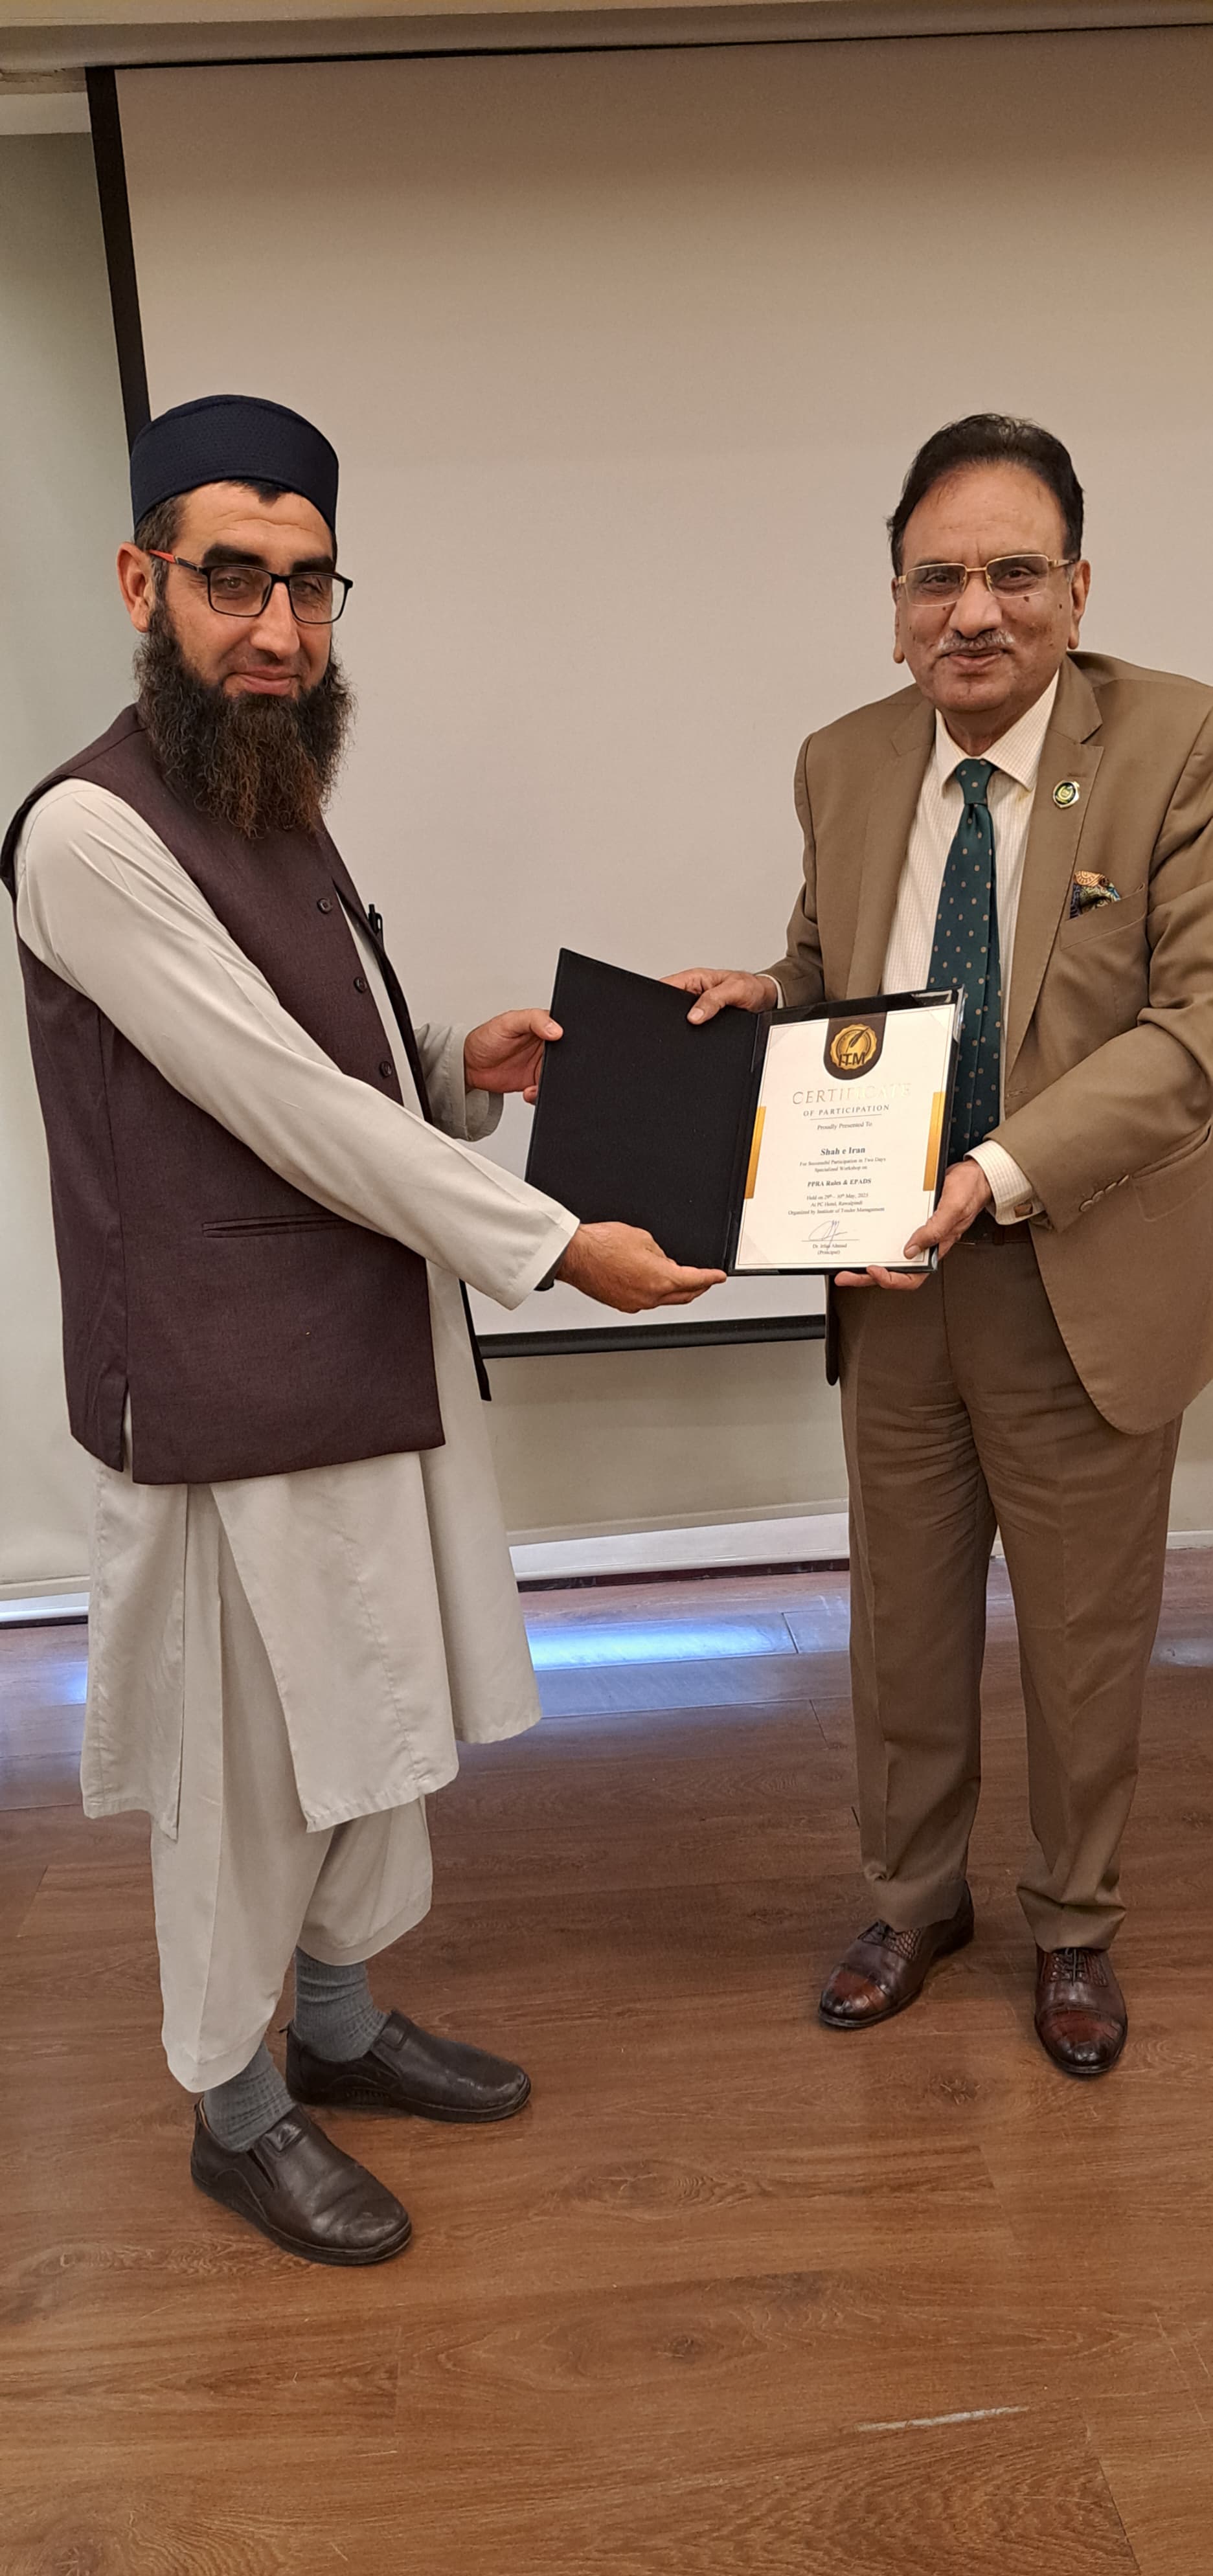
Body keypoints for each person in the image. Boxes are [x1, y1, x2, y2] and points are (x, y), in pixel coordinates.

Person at [4, 390, 723, 2265]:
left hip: (363, 1349)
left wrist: (454, 1064)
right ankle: (233, 2110)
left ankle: (334, 2023)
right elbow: (279, 1106)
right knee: (248, 1768)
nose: (279, 627)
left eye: (311, 584)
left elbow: (335, 1065)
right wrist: (556, 1243)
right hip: (224, 1390)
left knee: (381, 1717)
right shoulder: (84, 833)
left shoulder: (271, 786)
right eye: (234, 579)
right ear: (143, 582)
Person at [670, 411, 1213, 2077]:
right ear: (895, 599)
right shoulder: (841, 759)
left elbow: (1193, 1031)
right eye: (935, 578)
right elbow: (830, 970)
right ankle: (913, 1902)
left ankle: (1074, 1921)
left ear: (1076, 588)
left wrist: (992, 1168)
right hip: (890, 1275)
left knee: (1084, 1636)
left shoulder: (1177, 742)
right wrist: (765, 1000)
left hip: (1074, 1268)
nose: (972, 611)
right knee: (899, 1623)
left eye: (1012, 573)